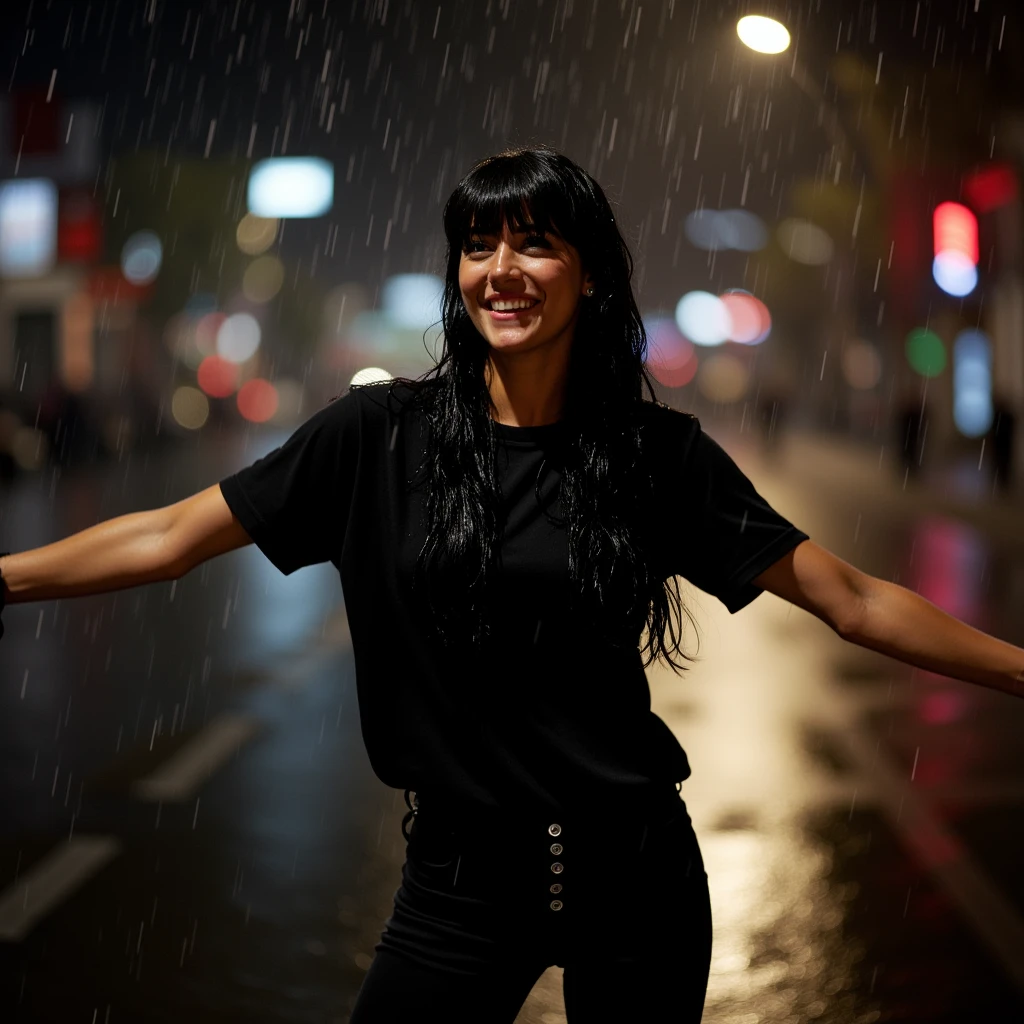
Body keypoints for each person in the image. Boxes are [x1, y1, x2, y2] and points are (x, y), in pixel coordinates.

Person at [2, 146, 1023, 1022]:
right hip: (457, 884)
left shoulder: (651, 456)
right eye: (479, 245)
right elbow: (170, 536)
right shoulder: (377, 438)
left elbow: (853, 598)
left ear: (587, 274)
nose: (503, 269)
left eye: (534, 243)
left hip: (637, 878)